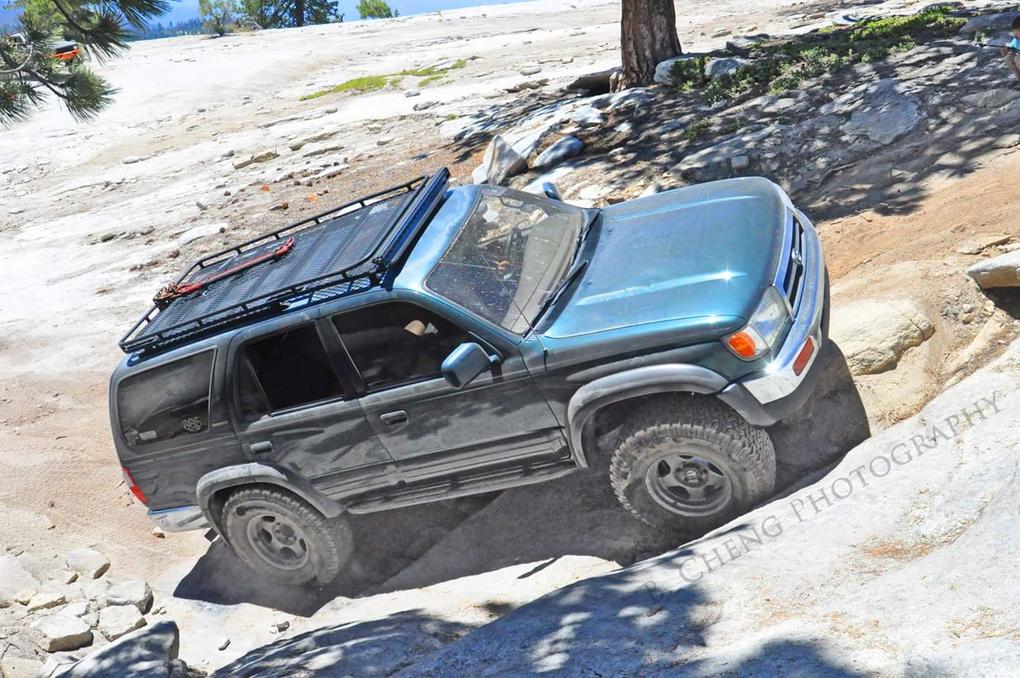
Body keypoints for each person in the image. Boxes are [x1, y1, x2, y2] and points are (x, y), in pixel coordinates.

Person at [1001, 16, 1020, 83]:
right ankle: (1019, 79)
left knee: (1018, 59)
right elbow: (1012, 49)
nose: (1015, 33)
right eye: (1014, 31)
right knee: (1009, 57)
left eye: (1018, 31)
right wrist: (1006, 50)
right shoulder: (1017, 40)